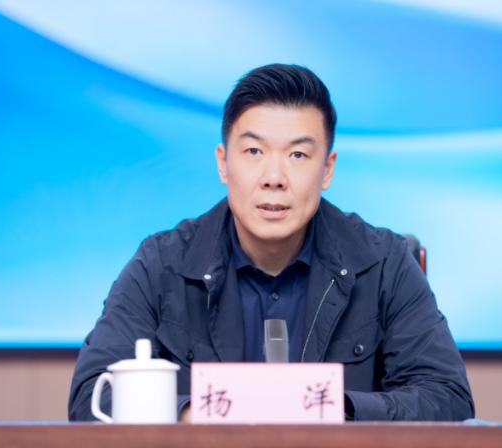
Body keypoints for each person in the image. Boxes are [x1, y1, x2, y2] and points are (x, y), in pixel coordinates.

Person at [68, 63, 475, 421]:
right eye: (253, 151)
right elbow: (91, 398)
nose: (274, 178)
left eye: (298, 155)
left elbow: (449, 399)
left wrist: (327, 410)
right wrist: (201, 415)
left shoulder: (383, 262)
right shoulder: (163, 263)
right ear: (223, 163)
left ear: (327, 169)